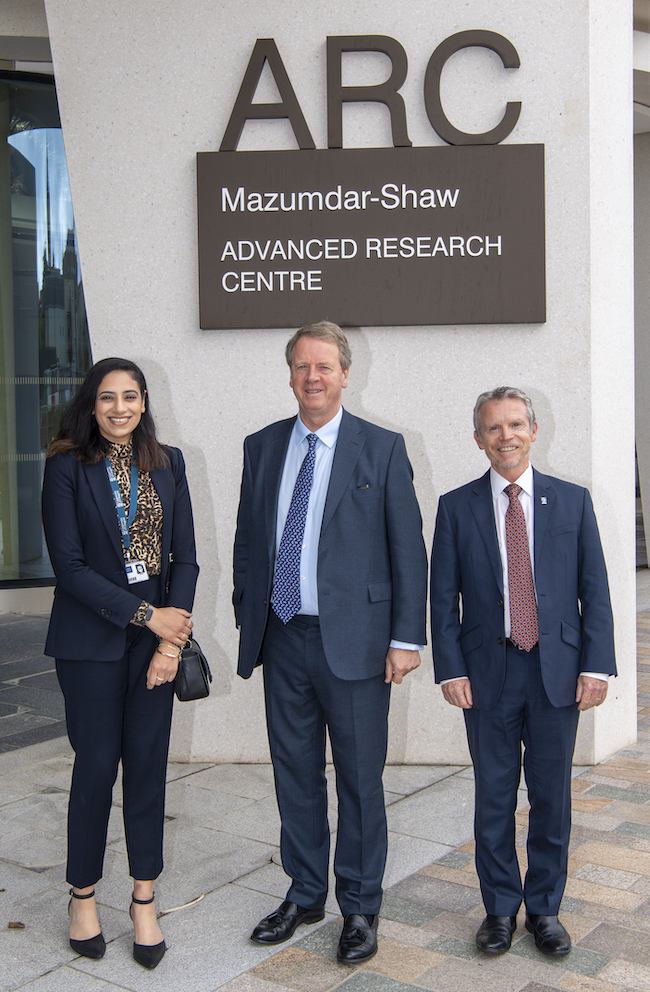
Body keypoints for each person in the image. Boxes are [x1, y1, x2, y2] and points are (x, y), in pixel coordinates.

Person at [233, 321, 427, 963]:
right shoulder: (261, 447)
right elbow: (248, 545)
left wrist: (406, 638)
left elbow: (408, 551)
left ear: (346, 374)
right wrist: (248, 617)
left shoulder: (382, 447)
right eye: (300, 366)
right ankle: (305, 891)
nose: (312, 377)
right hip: (283, 637)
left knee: (359, 779)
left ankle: (362, 906)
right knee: (294, 773)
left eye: (324, 366)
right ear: (289, 374)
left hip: (359, 644)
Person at [430, 386, 616, 957]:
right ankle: (499, 910)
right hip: (488, 670)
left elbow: (595, 590)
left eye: (515, 425)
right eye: (493, 428)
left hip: (557, 670)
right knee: (493, 795)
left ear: (534, 430)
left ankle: (545, 910)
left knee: (551, 796)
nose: (505, 436)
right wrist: (449, 669)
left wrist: (598, 666)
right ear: (479, 438)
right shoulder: (456, 507)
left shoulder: (572, 501)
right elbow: (443, 599)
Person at [42, 357, 199, 970]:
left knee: (148, 772)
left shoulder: (168, 463)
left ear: (143, 403)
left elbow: (184, 559)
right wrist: (147, 616)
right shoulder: (66, 467)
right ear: (92, 403)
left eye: (130, 397)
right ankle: (82, 896)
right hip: (90, 644)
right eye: (107, 398)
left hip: (153, 649)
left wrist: (168, 641)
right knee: (97, 768)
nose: (119, 408)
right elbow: (70, 567)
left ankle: (143, 901)